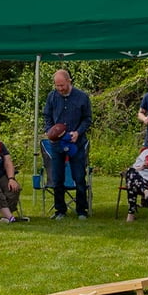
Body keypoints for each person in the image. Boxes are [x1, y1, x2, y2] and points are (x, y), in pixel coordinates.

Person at [43, 69, 92, 220]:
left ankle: (81, 210)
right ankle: (60, 210)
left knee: (79, 176)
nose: (60, 88)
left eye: (62, 85)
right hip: (57, 144)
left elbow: (87, 119)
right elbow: (47, 116)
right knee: (57, 177)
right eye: (57, 86)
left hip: (76, 143)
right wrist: (50, 132)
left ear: (69, 81)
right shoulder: (52, 97)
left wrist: (78, 132)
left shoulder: (82, 97)